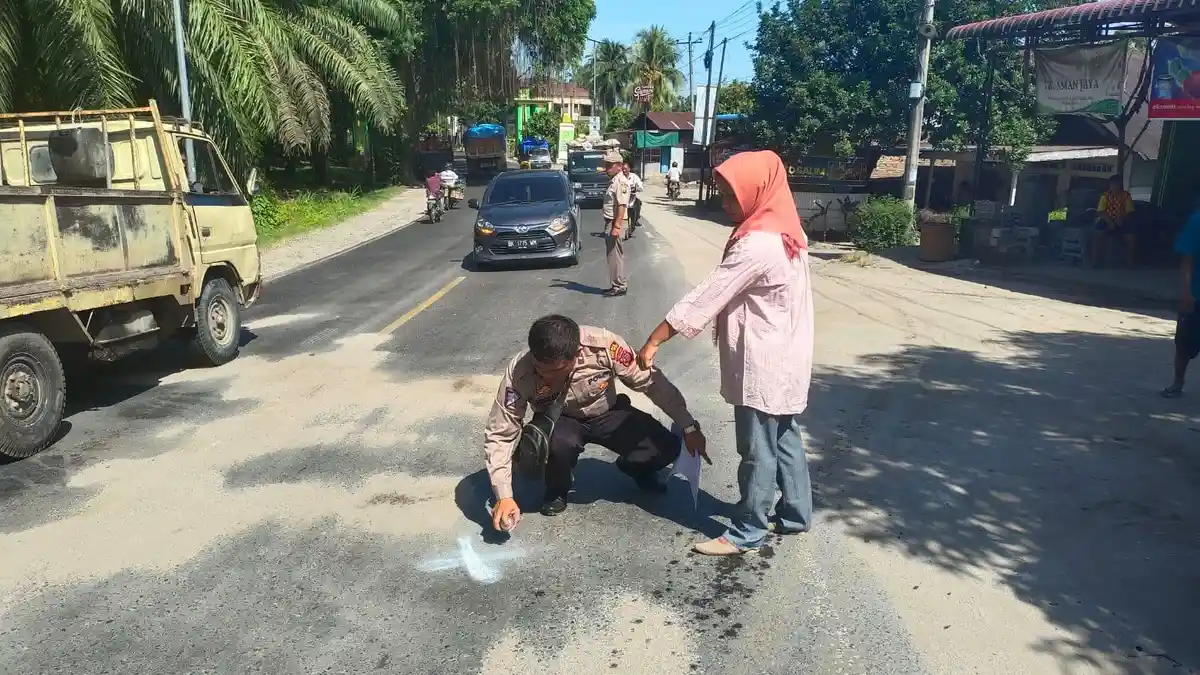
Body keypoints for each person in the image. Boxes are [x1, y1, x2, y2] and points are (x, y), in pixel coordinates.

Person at [637, 150, 815, 556]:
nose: (724, 201)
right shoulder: (790, 232)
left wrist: (654, 340)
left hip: (763, 365)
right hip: (787, 358)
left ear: (756, 190)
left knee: (757, 450)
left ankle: (748, 530)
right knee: (784, 437)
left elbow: (705, 298)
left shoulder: (757, 245)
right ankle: (795, 513)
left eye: (730, 193)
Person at [485, 315, 707, 531]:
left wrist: (688, 426)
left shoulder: (603, 346)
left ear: (576, 355)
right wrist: (504, 496)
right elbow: (500, 433)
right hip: (561, 420)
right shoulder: (520, 371)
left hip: (607, 412)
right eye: (541, 369)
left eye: (555, 371)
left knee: (666, 447)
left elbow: (652, 383)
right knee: (559, 443)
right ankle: (557, 488)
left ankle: (636, 468)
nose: (545, 375)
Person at [1161, 199, 1200, 399]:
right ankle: (1178, 382)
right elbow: (1187, 261)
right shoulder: (1197, 222)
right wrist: (1186, 292)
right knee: (1184, 343)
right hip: (1196, 295)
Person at [1090, 174, 1136, 267]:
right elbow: (1101, 211)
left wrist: (1121, 219)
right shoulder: (1105, 196)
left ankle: (1130, 262)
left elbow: (1129, 211)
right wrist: (1109, 221)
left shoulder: (1126, 196)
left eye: (1116, 184)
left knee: (1131, 237)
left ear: (1120, 184)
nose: (1114, 186)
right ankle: (1095, 262)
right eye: (1112, 184)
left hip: (1122, 220)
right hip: (1107, 220)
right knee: (1097, 235)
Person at [602, 150, 631, 297]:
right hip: (611, 222)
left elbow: (622, 206)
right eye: (606, 164)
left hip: (615, 222)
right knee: (612, 255)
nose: (606, 167)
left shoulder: (621, 182)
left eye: (609, 165)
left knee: (615, 255)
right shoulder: (614, 181)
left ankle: (619, 285)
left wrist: (617, 226)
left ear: (619, 166)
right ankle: (616, 283)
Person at [622, 163, 644, 239]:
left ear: (629, 169)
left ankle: (636, 219)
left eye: (626, 168)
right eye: (623, 169)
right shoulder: (620, 177)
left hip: (632, 197)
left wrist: (637, 188)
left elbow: (640, 186)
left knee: (639, 203)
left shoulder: (634, 177)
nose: (624, 170)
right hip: (622, 198)